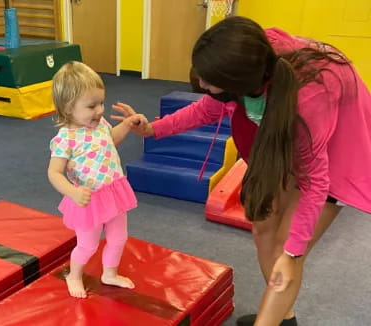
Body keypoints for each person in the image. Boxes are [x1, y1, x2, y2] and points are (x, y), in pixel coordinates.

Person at [113, 16, 371, 326]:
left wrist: (291, 256)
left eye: (210, 81)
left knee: (286, 248)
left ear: (239, 81)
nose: (202, 84)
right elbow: (206, 108)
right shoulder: (245, 67)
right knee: (263, 229)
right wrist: (153, 129)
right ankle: (282, 317)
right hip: (281, 149)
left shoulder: (310, 99)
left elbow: (317, 181)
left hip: (332, 158)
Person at [48, 61, 145, 298]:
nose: (99, 110)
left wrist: (126, 125)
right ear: (68, 108)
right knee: (88, 245)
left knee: (119, 238)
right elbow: (54, 173)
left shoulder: (99, 124)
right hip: (87, 200)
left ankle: (109, 274)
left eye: (101, 102)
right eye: (91, 106)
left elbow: (110, 139)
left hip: (113, 191)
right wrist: (72, 192)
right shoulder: (66, 138)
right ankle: (74, 275)